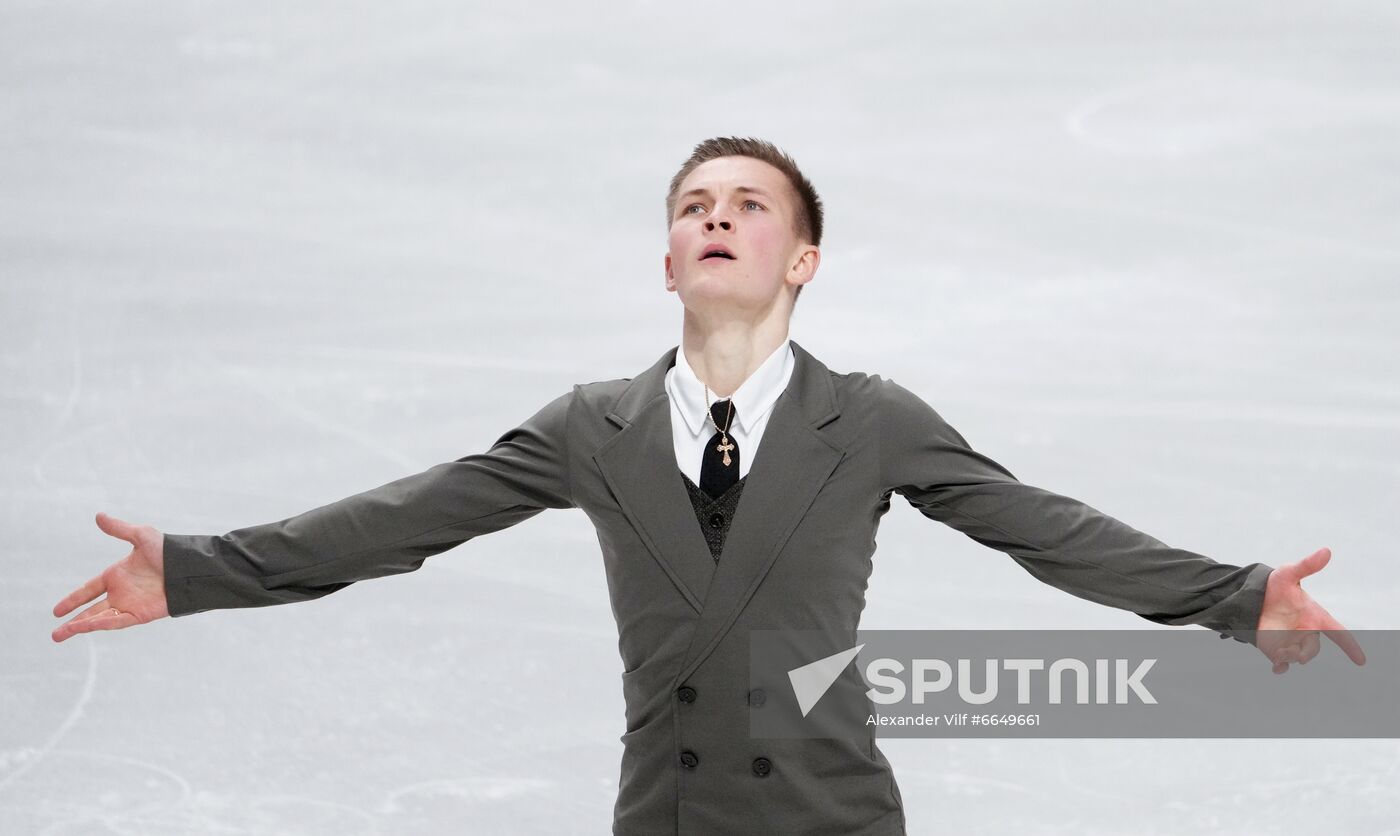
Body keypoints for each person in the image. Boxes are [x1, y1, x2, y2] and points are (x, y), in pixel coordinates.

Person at [52, 136, 1365, 835]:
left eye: (749, 203)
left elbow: (1048, 533)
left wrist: (1236, 598)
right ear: (667, 259)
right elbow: (409, 518)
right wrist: (201, 569)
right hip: (667, 817)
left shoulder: (877, 422)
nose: (717, 216)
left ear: (803, 260)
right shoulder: (592, 427)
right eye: (693, 205)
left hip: (832, 817)